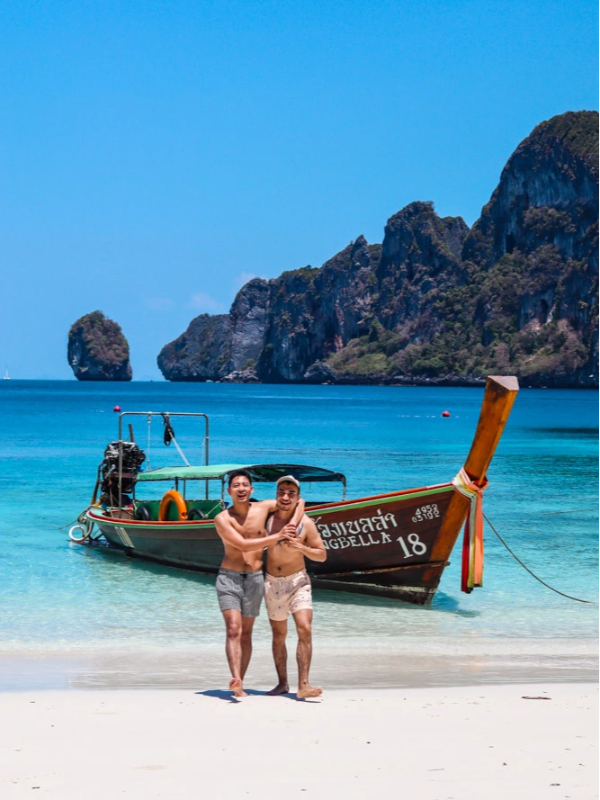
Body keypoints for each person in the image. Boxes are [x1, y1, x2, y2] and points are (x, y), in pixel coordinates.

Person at [214, 470, 304, 698]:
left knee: (246, 635)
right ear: (229, 491)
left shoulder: (263, 508)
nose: (241, 488)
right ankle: (235, 678)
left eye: (245, 485)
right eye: (236, 485)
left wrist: (291, 525)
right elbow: (244, 545)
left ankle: (240, 682)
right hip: (229, 577)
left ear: (251, 490)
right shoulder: (222, 519)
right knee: (234, 629)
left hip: (255, 578)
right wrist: (278, 536)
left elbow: (298, 501)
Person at [264, 475, 326, 699]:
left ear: (298, 497)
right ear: (276, 495)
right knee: (278, 635)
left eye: (291, 493)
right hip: (272, 583)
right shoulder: (268, 519)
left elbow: (321, 555)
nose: (286, 496)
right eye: (282, 492)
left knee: (305, 628)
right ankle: (282, 684)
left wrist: (301, 547)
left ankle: (304, 684)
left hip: (298, 582)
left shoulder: (305, 523)